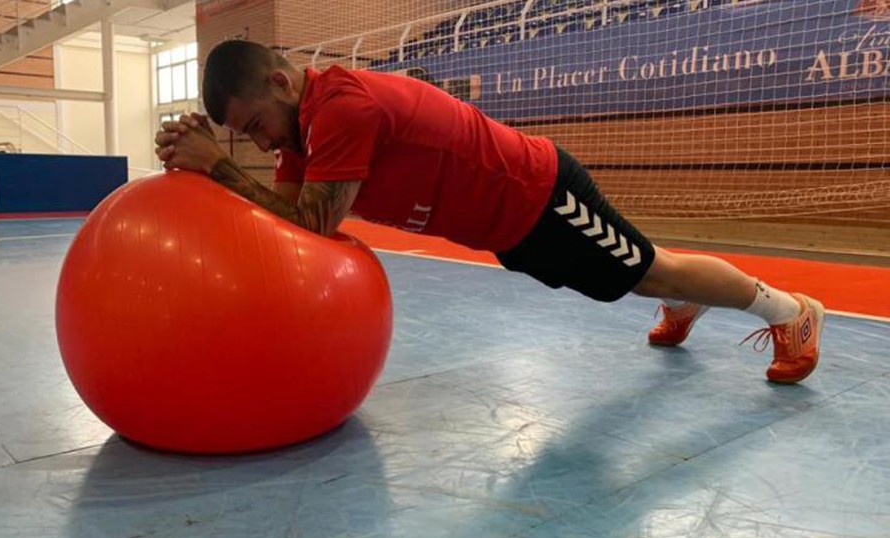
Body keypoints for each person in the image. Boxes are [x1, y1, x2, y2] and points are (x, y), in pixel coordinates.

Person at [154, 40, 824, 384]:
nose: (263, 142)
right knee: (631, 277)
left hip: (541, 195)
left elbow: (315, 226)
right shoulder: (301, 130)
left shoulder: (339, 110)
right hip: (508, 228)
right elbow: (283, 218)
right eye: (246, 138)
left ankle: (789, 311)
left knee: (652, 269)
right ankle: (685, 303)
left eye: (257, 125)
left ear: (280, 82)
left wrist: (214, 165)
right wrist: (206, 160)